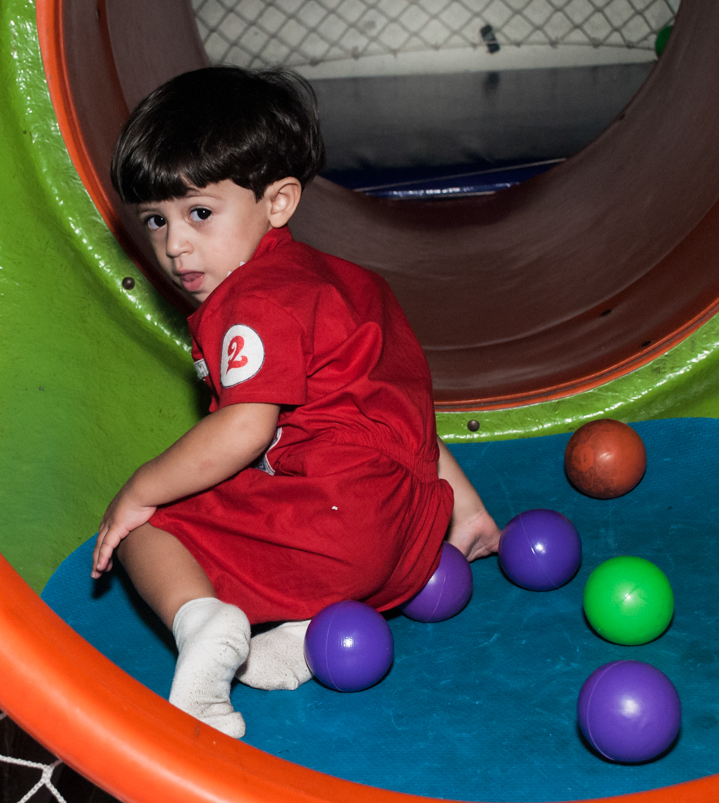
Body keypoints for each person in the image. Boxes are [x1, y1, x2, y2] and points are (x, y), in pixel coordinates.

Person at [91, 66, 501, 738]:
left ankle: (204, 622)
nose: (174, 244)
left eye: (199, 213)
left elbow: (246, 428)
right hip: (406, 535)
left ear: (278, 202)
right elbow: (400, 414)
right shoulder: (349, 283)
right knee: (300, 503)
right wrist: (466, 509)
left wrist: (139, 489)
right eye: (155, 220)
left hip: (337, 524)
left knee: (148, 528)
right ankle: (304, 631)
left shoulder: (251, 301)